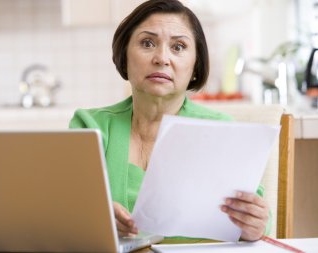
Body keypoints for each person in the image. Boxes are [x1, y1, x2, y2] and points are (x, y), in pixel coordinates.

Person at [69, 0, 270, 242]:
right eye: (147, 43)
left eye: (178, 47)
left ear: (196, 65)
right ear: (124, 56)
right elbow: (62, 210)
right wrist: (93, 218)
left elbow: (253, 228)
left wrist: (253, 226)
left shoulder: (221, 131)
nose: (162, 58)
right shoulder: (91, 125)